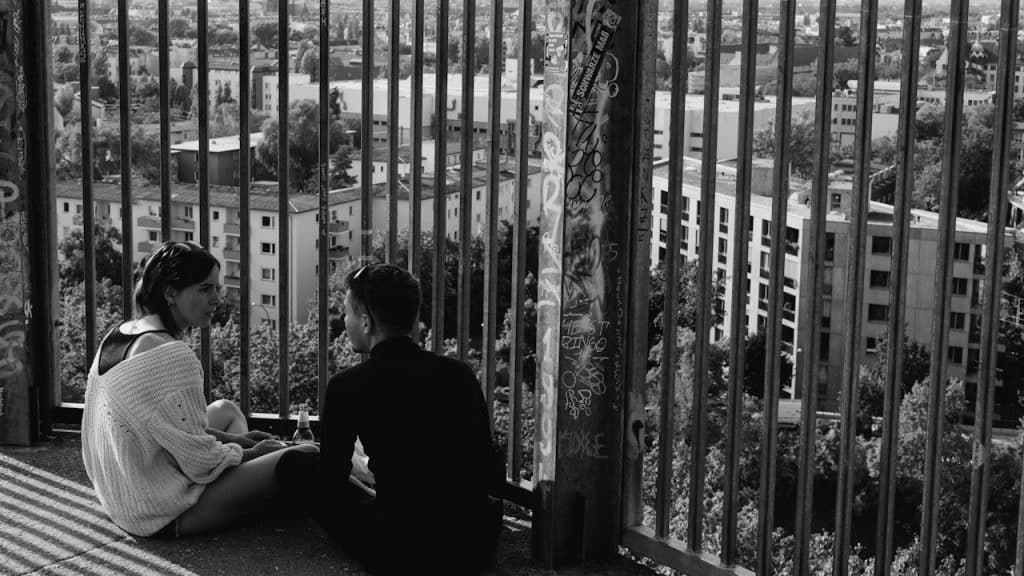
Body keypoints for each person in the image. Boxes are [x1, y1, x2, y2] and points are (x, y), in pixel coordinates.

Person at [81, 240, 318, 539]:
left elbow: (164, 428)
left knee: (226, 410)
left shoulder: (120, 334)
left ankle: (253, 493)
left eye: (216, 288)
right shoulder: (172, 355)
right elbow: (200, 462)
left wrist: (236, 440)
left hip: (123, 496)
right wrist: (253, 452)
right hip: (160, 512)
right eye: (205, 289)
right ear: (171, 294)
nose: (217, 299)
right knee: (303, 455)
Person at [315, 263, 501, 574]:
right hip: (474, 545)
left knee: (295, 466)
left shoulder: (348, 385)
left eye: (346, 312)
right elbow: (485, 465)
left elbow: (330, 483)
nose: (343, 320)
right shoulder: (459, 374)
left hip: (400, 548)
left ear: (365, 322)